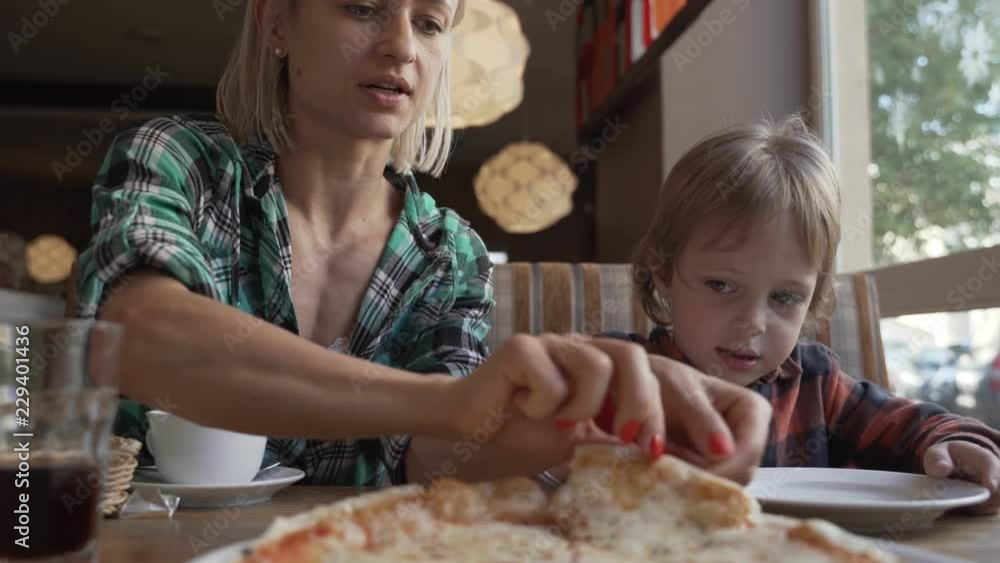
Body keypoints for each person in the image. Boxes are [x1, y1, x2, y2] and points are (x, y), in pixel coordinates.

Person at [73, 0, 772, 487]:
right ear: (278, 19)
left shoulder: (450, 249)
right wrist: (451, 399)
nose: (403, 46)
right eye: (362, 8)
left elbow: (436, 453)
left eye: (431, 22)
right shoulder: (181, 159)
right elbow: (138, 338)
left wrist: (599, 416)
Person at [610, 115, 1000, 513]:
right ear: (662, 271)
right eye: (721, 285)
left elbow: (917, 428)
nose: (753, 322)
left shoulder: (817, 385)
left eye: (784, 297)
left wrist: (959, 447)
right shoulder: (623, 374)